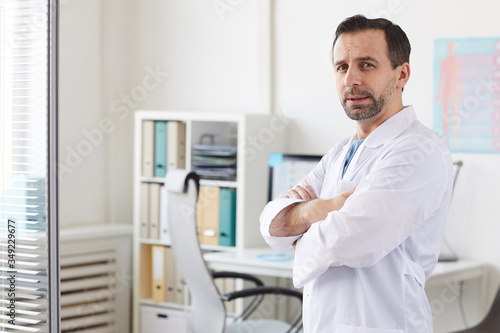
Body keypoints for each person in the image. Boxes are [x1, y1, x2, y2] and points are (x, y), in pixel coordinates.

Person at [260, 15, 453, 332]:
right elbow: (271, 225)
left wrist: (300, 234)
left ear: (402, 73)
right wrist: (322, 208)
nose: (351, 79)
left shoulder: (419, 150)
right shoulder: (339, 153)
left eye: (366, 65)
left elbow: (354, 240)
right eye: (342, 67)